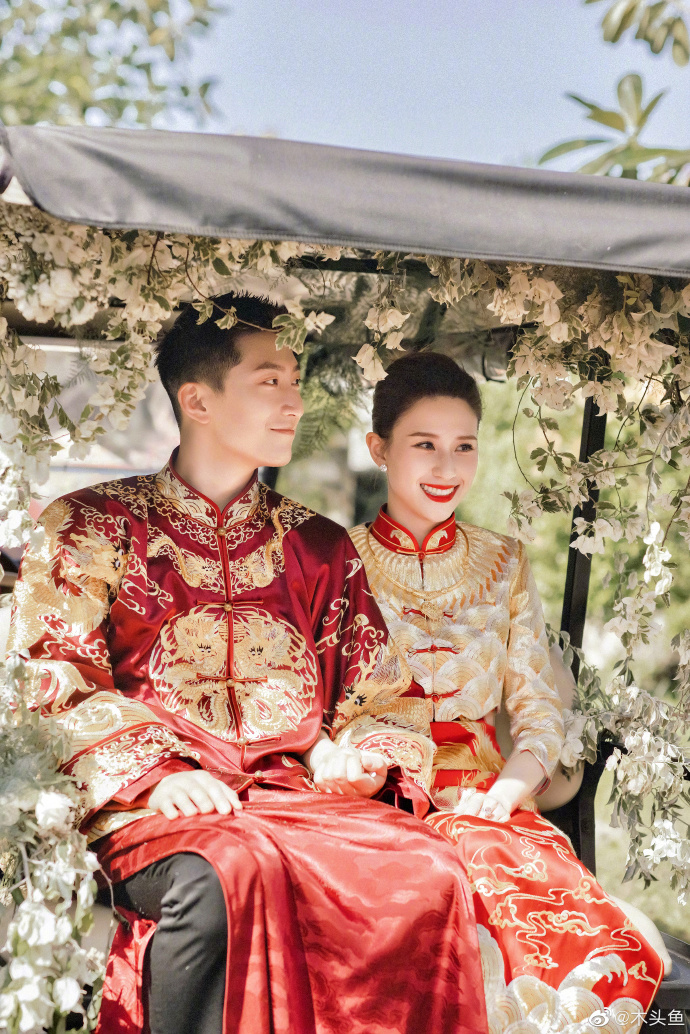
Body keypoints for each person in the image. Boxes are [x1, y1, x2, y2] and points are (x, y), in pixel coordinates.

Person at [8, 300, 488, 1034]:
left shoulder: (319, 546)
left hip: (294, 799)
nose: (295, 402)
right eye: (271, 382)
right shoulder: (90, 526)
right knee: (228, 871)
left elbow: (382, 695)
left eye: (295, 381)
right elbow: (53, 676)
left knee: (429, 869)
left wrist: (364, 760)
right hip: (149, 806)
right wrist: (159, 774)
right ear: (197, 400)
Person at [350, 350, 668, 1034]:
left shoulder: (504, 561)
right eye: (425, 445)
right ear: (379, 449)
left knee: (582, 950)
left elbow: (538, 715)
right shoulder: (335, 560)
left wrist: (506, 793)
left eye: (464, 446)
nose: (448, 467)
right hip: (371, 800)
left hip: (486, 804)